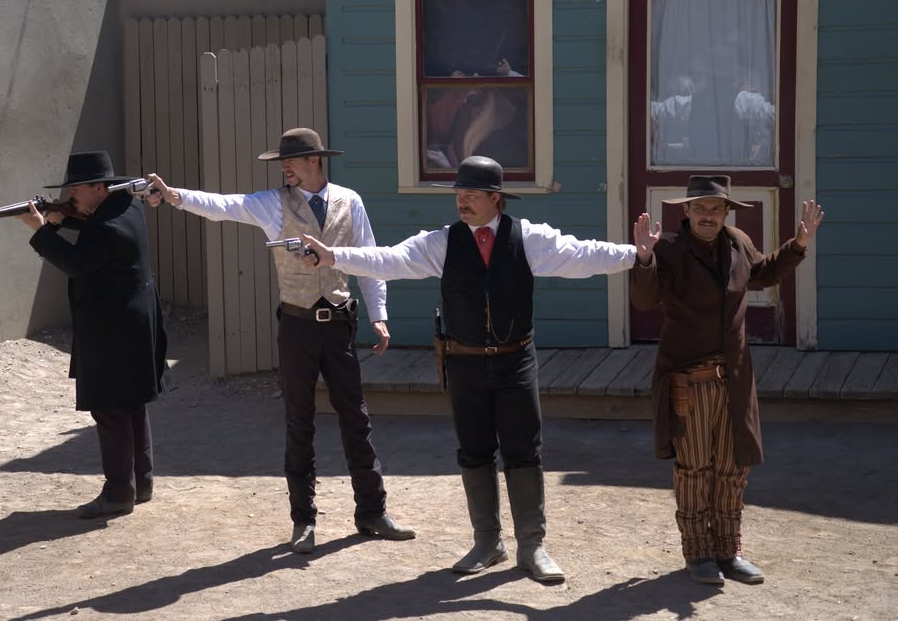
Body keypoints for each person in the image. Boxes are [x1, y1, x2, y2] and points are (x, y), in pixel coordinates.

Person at [300, 156, 640, 582]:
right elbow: (388, 259)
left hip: (515, 360)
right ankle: (488, 541)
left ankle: (531, 546)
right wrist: (334, 257)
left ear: (495, 199)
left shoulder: (527, 237)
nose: (461, 202)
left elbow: (582, 255)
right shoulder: (442, 242)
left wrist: (635, 254)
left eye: (471, 196)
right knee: (474, 451)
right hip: (464, 363)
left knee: (523, 451)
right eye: (458, 195)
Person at [145, 128, 414, 554]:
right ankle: (303, 521)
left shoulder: (350, 201)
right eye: (282, 163)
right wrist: (175, 194)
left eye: (291, 161)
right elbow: (224, 206)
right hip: (298, 326)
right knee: (299, 421)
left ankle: (372, 510)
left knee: (356, 419)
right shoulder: (273, 203)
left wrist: (379, 316)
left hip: (340, 324)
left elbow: (369, 257)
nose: (284, 169)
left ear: (315, 162)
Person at [630, 175, 823, 586]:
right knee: (696, 467)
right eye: (699, 208)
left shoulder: (736, 242)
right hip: (689, 379)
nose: (707, 216)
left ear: (726, 213)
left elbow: (763, 273)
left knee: (734, 468)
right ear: (686, 212)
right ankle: (699, 553)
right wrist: (644, 259)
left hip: (734, 377)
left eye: (715, 209)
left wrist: (799, 245)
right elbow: (644, 301)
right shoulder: (669, 249)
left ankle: (729, 550)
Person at [19, 151, 168, 519]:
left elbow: (77, 262)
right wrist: (59, 220)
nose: (72, 196)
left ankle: (119, 492)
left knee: (109, 407)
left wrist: (41, 229)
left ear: (99, 188)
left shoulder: (105, 226)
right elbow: (91, 230)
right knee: (132, 402)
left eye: (77, 189)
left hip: (112, 325)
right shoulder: (126, 206)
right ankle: (141, 481)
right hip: (133, 318)